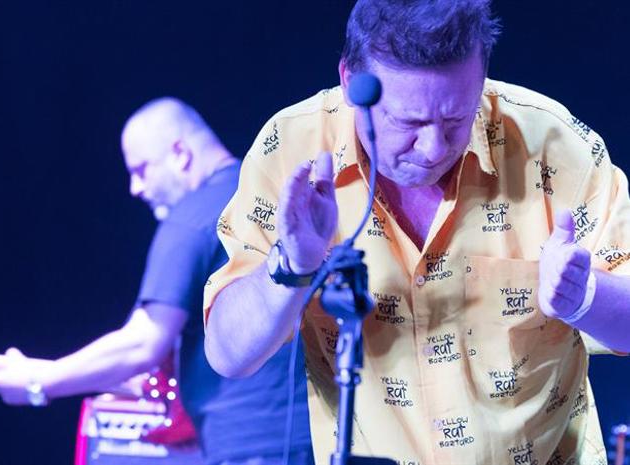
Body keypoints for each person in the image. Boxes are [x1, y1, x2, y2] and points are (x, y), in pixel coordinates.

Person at [201, 1, 630, 464]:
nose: (432, 148)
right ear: (350, 81)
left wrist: (584, 297)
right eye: (408, 122)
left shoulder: (554, 144)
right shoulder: (291, 148)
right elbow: (229, 356)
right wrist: (291, 266)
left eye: (455, 120)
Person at [0, 97, 313, 465]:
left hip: (255, 442)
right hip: (316, 432)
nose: (135, 188)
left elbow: (144, 343)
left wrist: (40, 383)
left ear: (180, 154)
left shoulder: (192, 217)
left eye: (142, 170)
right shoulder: (267, 194)